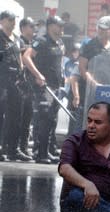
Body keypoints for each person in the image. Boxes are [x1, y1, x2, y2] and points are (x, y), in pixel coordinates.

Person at [22, 15, 66, 164]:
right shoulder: (41, 41)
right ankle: (40, 153)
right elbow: (26, 57)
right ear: (51, 26)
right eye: (59, 26)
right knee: (45, 118)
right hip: (44, 87)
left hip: (56, 87)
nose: (61, 29)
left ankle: (46, 151)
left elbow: (59, 64)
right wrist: (38, 74)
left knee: (52, 120)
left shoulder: (59, 42)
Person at [0, 10, 31, 162]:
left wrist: (22, 73)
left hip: (16, 83)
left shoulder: (17, 39)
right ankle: (1, 148)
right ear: (2, 20)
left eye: (14, 19)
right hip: (2, 82)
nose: (13, 22)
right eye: (10, 19)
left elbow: (20, 57)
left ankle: (13, 149)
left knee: (15, 118)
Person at [18, 17, 37, 158]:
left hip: (31, 86)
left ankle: (24, 147)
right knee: (20, 118)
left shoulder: (32, 43)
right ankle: (15, 147)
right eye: (31, 26)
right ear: (23, 27)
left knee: (27, 119)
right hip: (21, 86)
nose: (33, 29)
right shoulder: (18, 42)